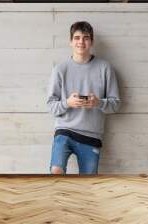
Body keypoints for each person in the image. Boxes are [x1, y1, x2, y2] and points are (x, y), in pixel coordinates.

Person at [47, 21, 121, 175]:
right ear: (71, 41)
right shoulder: (60, 69)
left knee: (88, 182)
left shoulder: (105, 68)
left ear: (92, 42)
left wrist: (98, 103)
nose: (81, 42)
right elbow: (51, 106)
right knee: (56, 171)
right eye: (77, 37)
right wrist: (67, 102)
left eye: (86, 38)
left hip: (91, 136)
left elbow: (116, 105)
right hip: (64, 131)